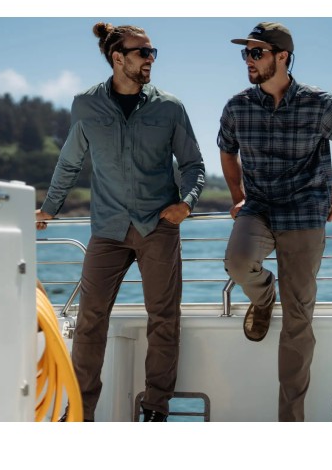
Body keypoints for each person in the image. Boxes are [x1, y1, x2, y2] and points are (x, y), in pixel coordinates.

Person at [36, 22, 205, 422]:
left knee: (164, 319)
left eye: (152, 53)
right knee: (91, 321)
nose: (151, 59)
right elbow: (70, 161)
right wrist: (50, 208)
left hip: (158, 227)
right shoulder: (86, 105)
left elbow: (194, 164)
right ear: (118, 58)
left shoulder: (169, 107)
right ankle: (80, 412)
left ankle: (155, 409)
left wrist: (187, 203)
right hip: (108, 230)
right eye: (143, 53)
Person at [217, 22, 332, 422]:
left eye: (257, 53)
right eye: (246, 53)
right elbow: (227, 151)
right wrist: (238, 197)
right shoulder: (236, 107)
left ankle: (291, 422)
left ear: (282, 56)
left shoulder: (320, 104)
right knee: (237, 260)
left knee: (299, 320)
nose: (248, 60)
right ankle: (264, 298)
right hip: (259, 207)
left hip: (304, 212)